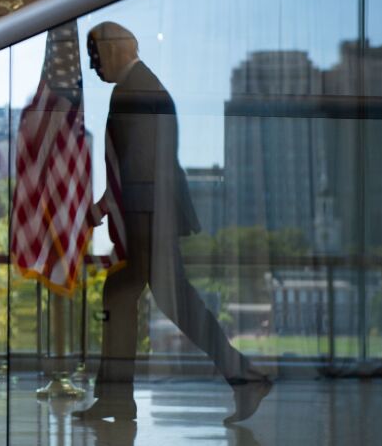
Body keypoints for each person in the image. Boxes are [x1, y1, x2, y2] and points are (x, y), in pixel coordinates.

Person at [76, 22, 272, 425]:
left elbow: (139, 168)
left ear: (114, 50)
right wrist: (107, 208)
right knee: (135, 297)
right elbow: (133, 168)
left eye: (96, 56)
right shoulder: (140, 86)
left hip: (148, 216)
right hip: (148, 213)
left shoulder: (138, 89)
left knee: (148, 298)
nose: (94, 67)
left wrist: (108, 211)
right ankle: (240, 378)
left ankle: (243, 378)